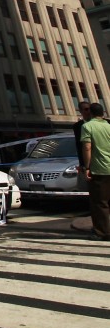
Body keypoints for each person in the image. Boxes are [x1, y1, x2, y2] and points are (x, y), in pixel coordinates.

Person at [81, 101, 110, 242]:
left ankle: (102, 232)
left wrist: (87, 167)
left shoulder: (87, 126)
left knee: (100, 202)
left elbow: (87, 147)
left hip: (99, 169)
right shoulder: (108, 126)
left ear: (91, 113)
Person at [73, 99, 92, 172]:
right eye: (86, 109)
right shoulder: (77, 126)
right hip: (88, 160)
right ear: (80, 111)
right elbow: (79, 145)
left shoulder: (104, 123)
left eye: (90, 109)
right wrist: (82, 164)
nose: (89, 111)